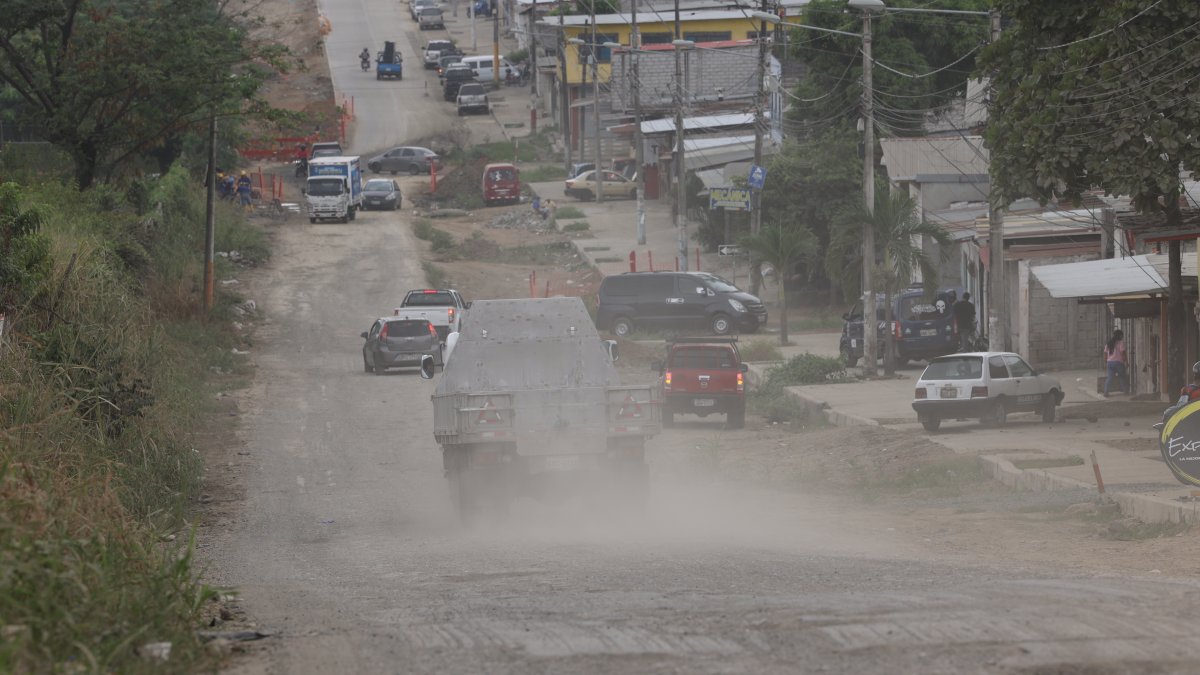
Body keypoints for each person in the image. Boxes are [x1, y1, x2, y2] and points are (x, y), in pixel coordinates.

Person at [1103, 329, 1129, 396]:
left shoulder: (1108, 343)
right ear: (1120, 335)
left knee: (1110, 378)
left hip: (1110, 363)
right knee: (1122, 377)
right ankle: (1125, 391)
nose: (1122, 336)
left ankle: (1106, 392)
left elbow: (1105, 353)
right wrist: (1126, 362)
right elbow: (1123, 353)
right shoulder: (1120, 343)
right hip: (1118, 363)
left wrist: (1105, 362)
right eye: (1122, 335)